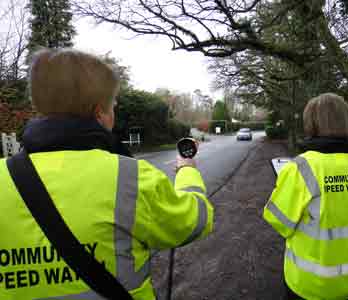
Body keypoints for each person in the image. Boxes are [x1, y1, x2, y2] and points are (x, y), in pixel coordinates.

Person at [0, 48, 214, 299]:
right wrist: (187, 170)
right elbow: (193, 221)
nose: (114, 112)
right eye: (113, 105)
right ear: (99, 112)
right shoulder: (130, 178)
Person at [263, 93, 348, 300]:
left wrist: (282, 186)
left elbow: (278, 220)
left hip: (308, 286)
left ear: (311, 124)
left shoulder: (300, 168)